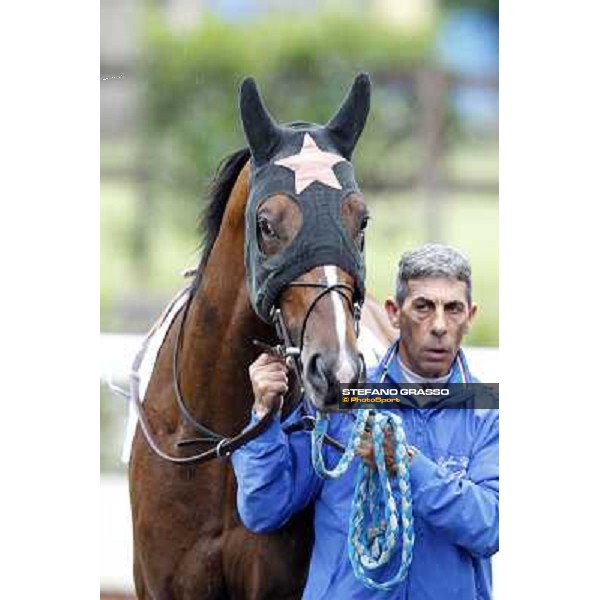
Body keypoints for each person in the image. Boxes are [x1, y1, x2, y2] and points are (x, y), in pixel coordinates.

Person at [231, 243, 499, 599]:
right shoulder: (342, 398)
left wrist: (405, 464)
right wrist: (264, 418)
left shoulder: (485, 412)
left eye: (453, 309)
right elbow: (263, 509)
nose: (438, 325)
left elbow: (490, 527)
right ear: (393, 312)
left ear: (470, 316)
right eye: (422, 307)